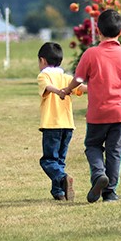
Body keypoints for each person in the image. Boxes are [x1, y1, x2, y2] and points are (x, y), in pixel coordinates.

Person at [60, 8, 121, 203]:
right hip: (120, 112)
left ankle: (99, 174)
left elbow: (78, 78)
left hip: (98, 113)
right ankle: (110, 192)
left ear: (98, 31)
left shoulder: (91, 54)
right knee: (115, 151)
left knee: (92, 145)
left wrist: (67, 90)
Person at [36, 41, 83, 201]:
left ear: (42, 60)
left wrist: (58, 92)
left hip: (51, 125)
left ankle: (63, 179)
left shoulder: (44, 75)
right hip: (68, 126)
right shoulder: (67, 77)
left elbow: (48, 87)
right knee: (59, 160)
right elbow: (80, 88)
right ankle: (60, 193)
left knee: (48, 160)